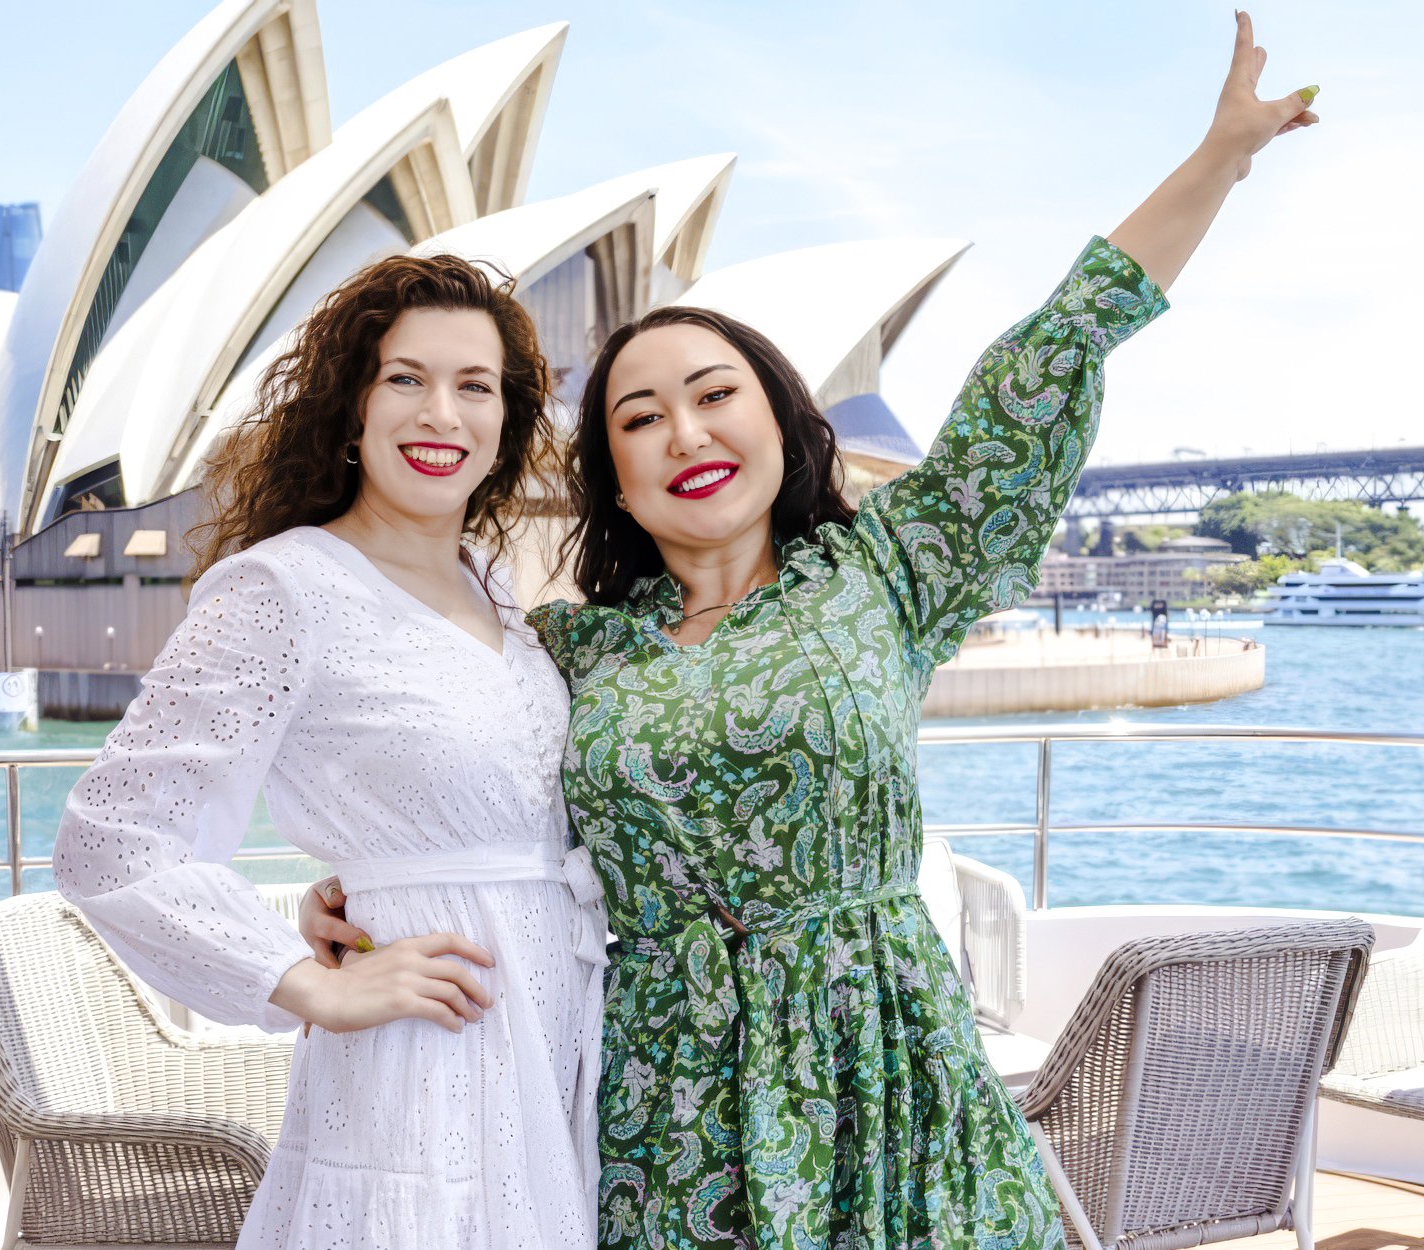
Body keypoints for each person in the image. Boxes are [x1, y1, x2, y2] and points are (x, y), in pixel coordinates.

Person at [309, 12, 1315, 1247]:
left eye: (714, 394)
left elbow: (1046, 357)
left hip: (883, 1067)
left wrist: (1219, 153)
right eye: (639, 417)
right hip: (663, 1099)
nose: (684, 432)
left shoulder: (888, 571)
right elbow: (459, 785)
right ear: (610, 476)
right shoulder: (573, 648)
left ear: (780, 422)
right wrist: (352, 894)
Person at [51, 253, 607, 1249]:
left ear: (506, 421)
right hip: (427, 1047)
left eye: (473, 385)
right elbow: (112, 842)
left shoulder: (491, 583)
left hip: (550, 1028)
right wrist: (306, 979)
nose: (441, 411)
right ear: (350, 404)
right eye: (405, 377)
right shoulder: (285, 590)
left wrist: (362, 888)